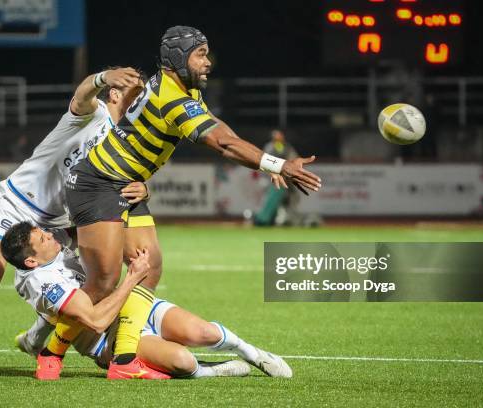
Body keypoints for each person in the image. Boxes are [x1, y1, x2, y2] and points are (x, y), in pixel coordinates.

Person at [60, 25, 321, 380]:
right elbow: (222, 143)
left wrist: (263, 161)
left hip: (126, 184)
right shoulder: (175, 99)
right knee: (103, 281)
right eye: (200, 54)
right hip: (98, 183)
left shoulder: (183, 89)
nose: (208, 62)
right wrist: (276, 163)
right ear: (177, 58)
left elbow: (216, 125)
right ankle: (49, 348)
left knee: (148, 267)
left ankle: (123, 361)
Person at [0, 67, 146, 379]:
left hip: (61, 221)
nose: (139, 99)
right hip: (18, 202)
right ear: (116, 93)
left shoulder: (127, 142)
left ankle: (37, 337)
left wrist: (144, 186)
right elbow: (81, 96)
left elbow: (124, 183)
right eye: (134, 91)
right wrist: (103, 78)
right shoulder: (94, 113)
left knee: (97, 277)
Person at [0, 222, 293, 380]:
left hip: (131, 307)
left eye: (45, 232)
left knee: (204, 333)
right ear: (31, 261)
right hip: (105, 339)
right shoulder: (45, 285)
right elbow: (96, 320)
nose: (51, 236)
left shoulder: (47, 250)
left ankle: (252, 353)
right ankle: (209, 371)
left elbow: (98, 222)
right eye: (43, 238)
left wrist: (141, 193)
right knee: (183, 361)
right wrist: (132, 277)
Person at [253, 129, 300, 226]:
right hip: (270, 178)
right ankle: (263, 219)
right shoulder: (272, 146)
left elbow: (294, 158)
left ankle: (270, 219)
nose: (279, 138)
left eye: (280, 135)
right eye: (277, 136)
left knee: (285, 199)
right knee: (271, 199)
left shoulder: (285, 146)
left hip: (282, 178)